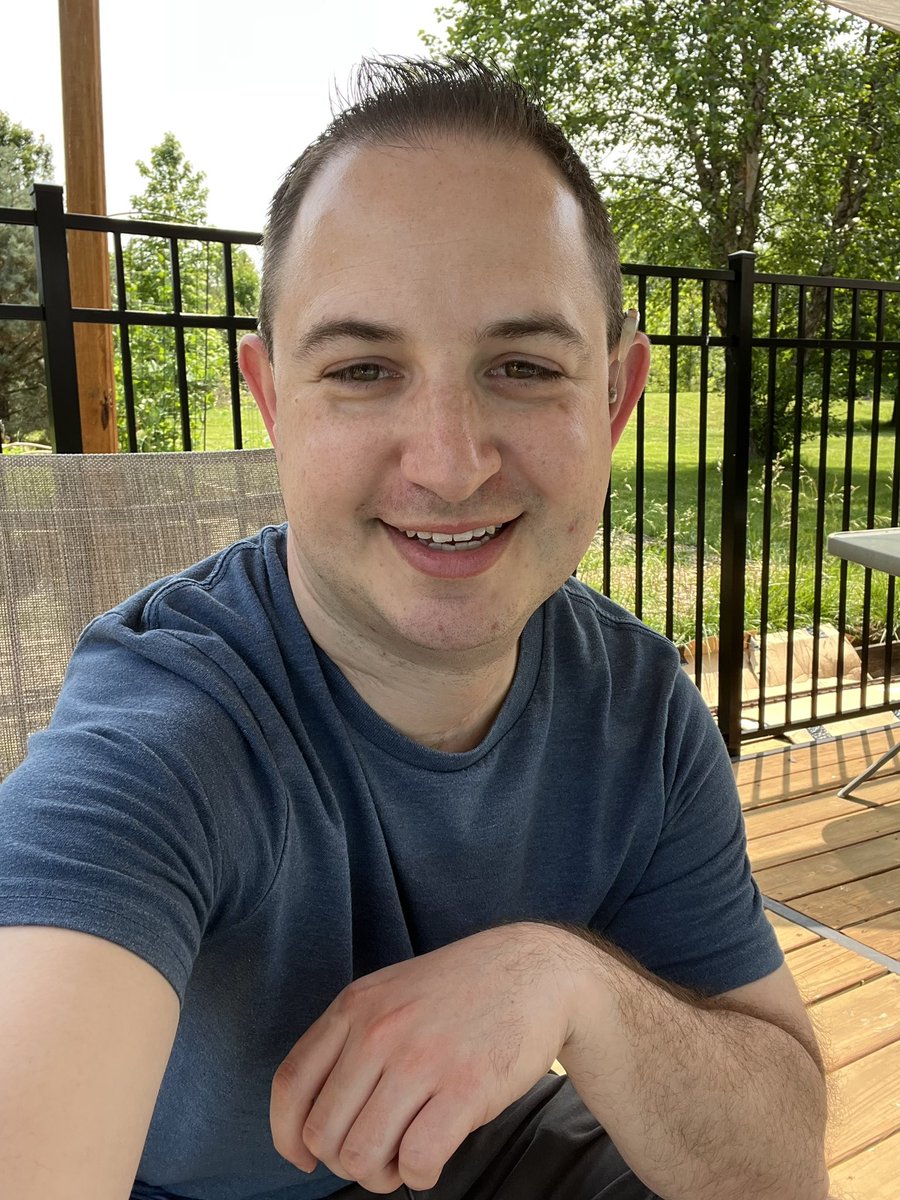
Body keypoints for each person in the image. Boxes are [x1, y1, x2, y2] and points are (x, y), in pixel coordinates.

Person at [0, 56, 829, 1200]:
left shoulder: (635, 706)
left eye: (525, 366)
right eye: (364, 368)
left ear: (618, 396)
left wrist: (565, 979)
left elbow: (781, 1162)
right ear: (275, 399)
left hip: (474, 1152)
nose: (450, 463)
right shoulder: (162, 739)